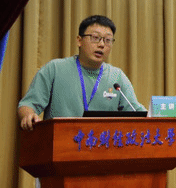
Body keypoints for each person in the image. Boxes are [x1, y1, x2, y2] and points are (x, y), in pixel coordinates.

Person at [18, 15, 146, 131]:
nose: (101, 44)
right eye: (95, 38)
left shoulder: (116, 77)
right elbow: (28, 104)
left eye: (108, 40)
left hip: (102, 145)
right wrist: (29, 115)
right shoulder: (55, 69)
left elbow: (136, 111)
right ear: (79, 40)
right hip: (61, 142)